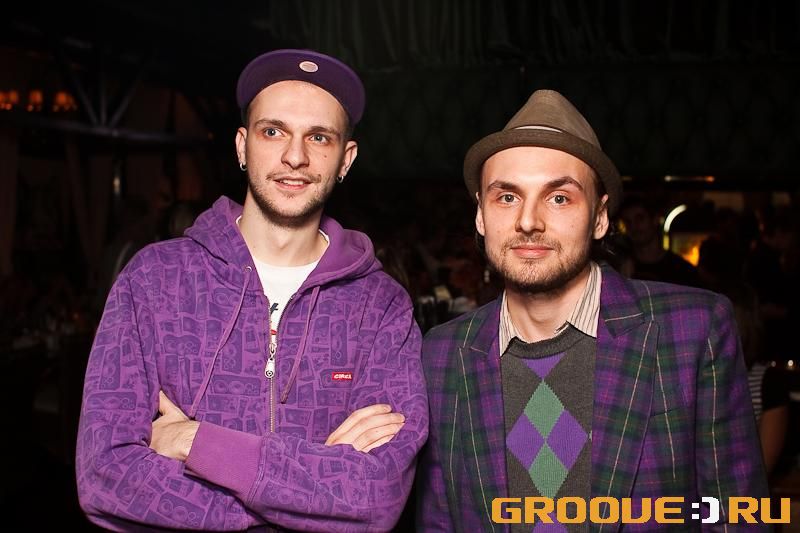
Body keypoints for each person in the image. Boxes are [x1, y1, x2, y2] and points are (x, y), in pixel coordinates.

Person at [76, 49, 428, 532]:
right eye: (273, 131)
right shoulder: (154, 280)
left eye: (318, 137)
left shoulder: (380, 306)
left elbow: (377, 496)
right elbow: (104, 477)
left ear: (345, 160)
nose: (295, 156)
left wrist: (196, 443)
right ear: (242, 147)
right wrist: (311, 493)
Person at [417, 89, 768, 531]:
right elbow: (439, 521)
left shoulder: (692, 330)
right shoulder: (442, 354)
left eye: (559, 198)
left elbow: (735, 513)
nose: (528, 221)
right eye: (507, 197)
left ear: (600, 218)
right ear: (480, 217)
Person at [618, 195, 701, 287]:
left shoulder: (682, 270)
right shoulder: (621, 268)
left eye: (640, 219)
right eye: (628, 222)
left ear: (655, 219)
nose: (633, 227)